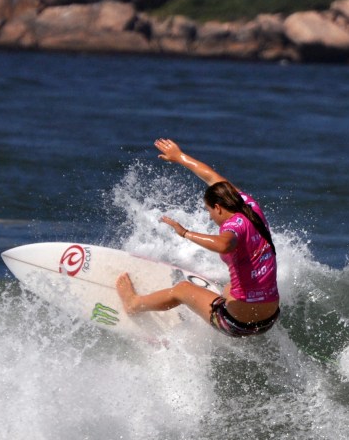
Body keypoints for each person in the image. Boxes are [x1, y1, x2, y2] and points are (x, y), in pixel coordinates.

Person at [116, 138, 280, 336]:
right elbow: (211, 177)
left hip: (237, 324)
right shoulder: (249, 205)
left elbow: (225, 244)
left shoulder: (232, 226)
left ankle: (133, 304)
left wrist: (185, 233)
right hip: (269, 318)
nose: (210, 216)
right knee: (229, 289)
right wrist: (179, 157)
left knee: (182, 289)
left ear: (218, 208)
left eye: (209, 211)